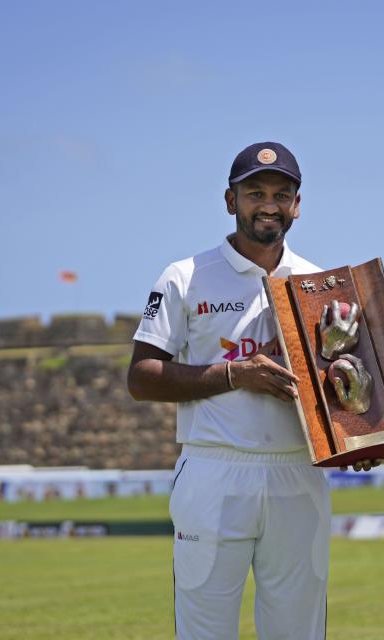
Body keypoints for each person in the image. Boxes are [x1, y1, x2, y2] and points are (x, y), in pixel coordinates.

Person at [127, 142, 330, 639]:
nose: (268, 204)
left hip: (298, 472)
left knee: (298, 632)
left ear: (297, 205)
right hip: (214, 469)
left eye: (281, 194)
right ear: (229, 199)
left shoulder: (318, 282)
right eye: (254, 192)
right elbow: (141, 376)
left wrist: (363, 439)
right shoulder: (185, 276)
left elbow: (340, 383)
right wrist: (233, 375)